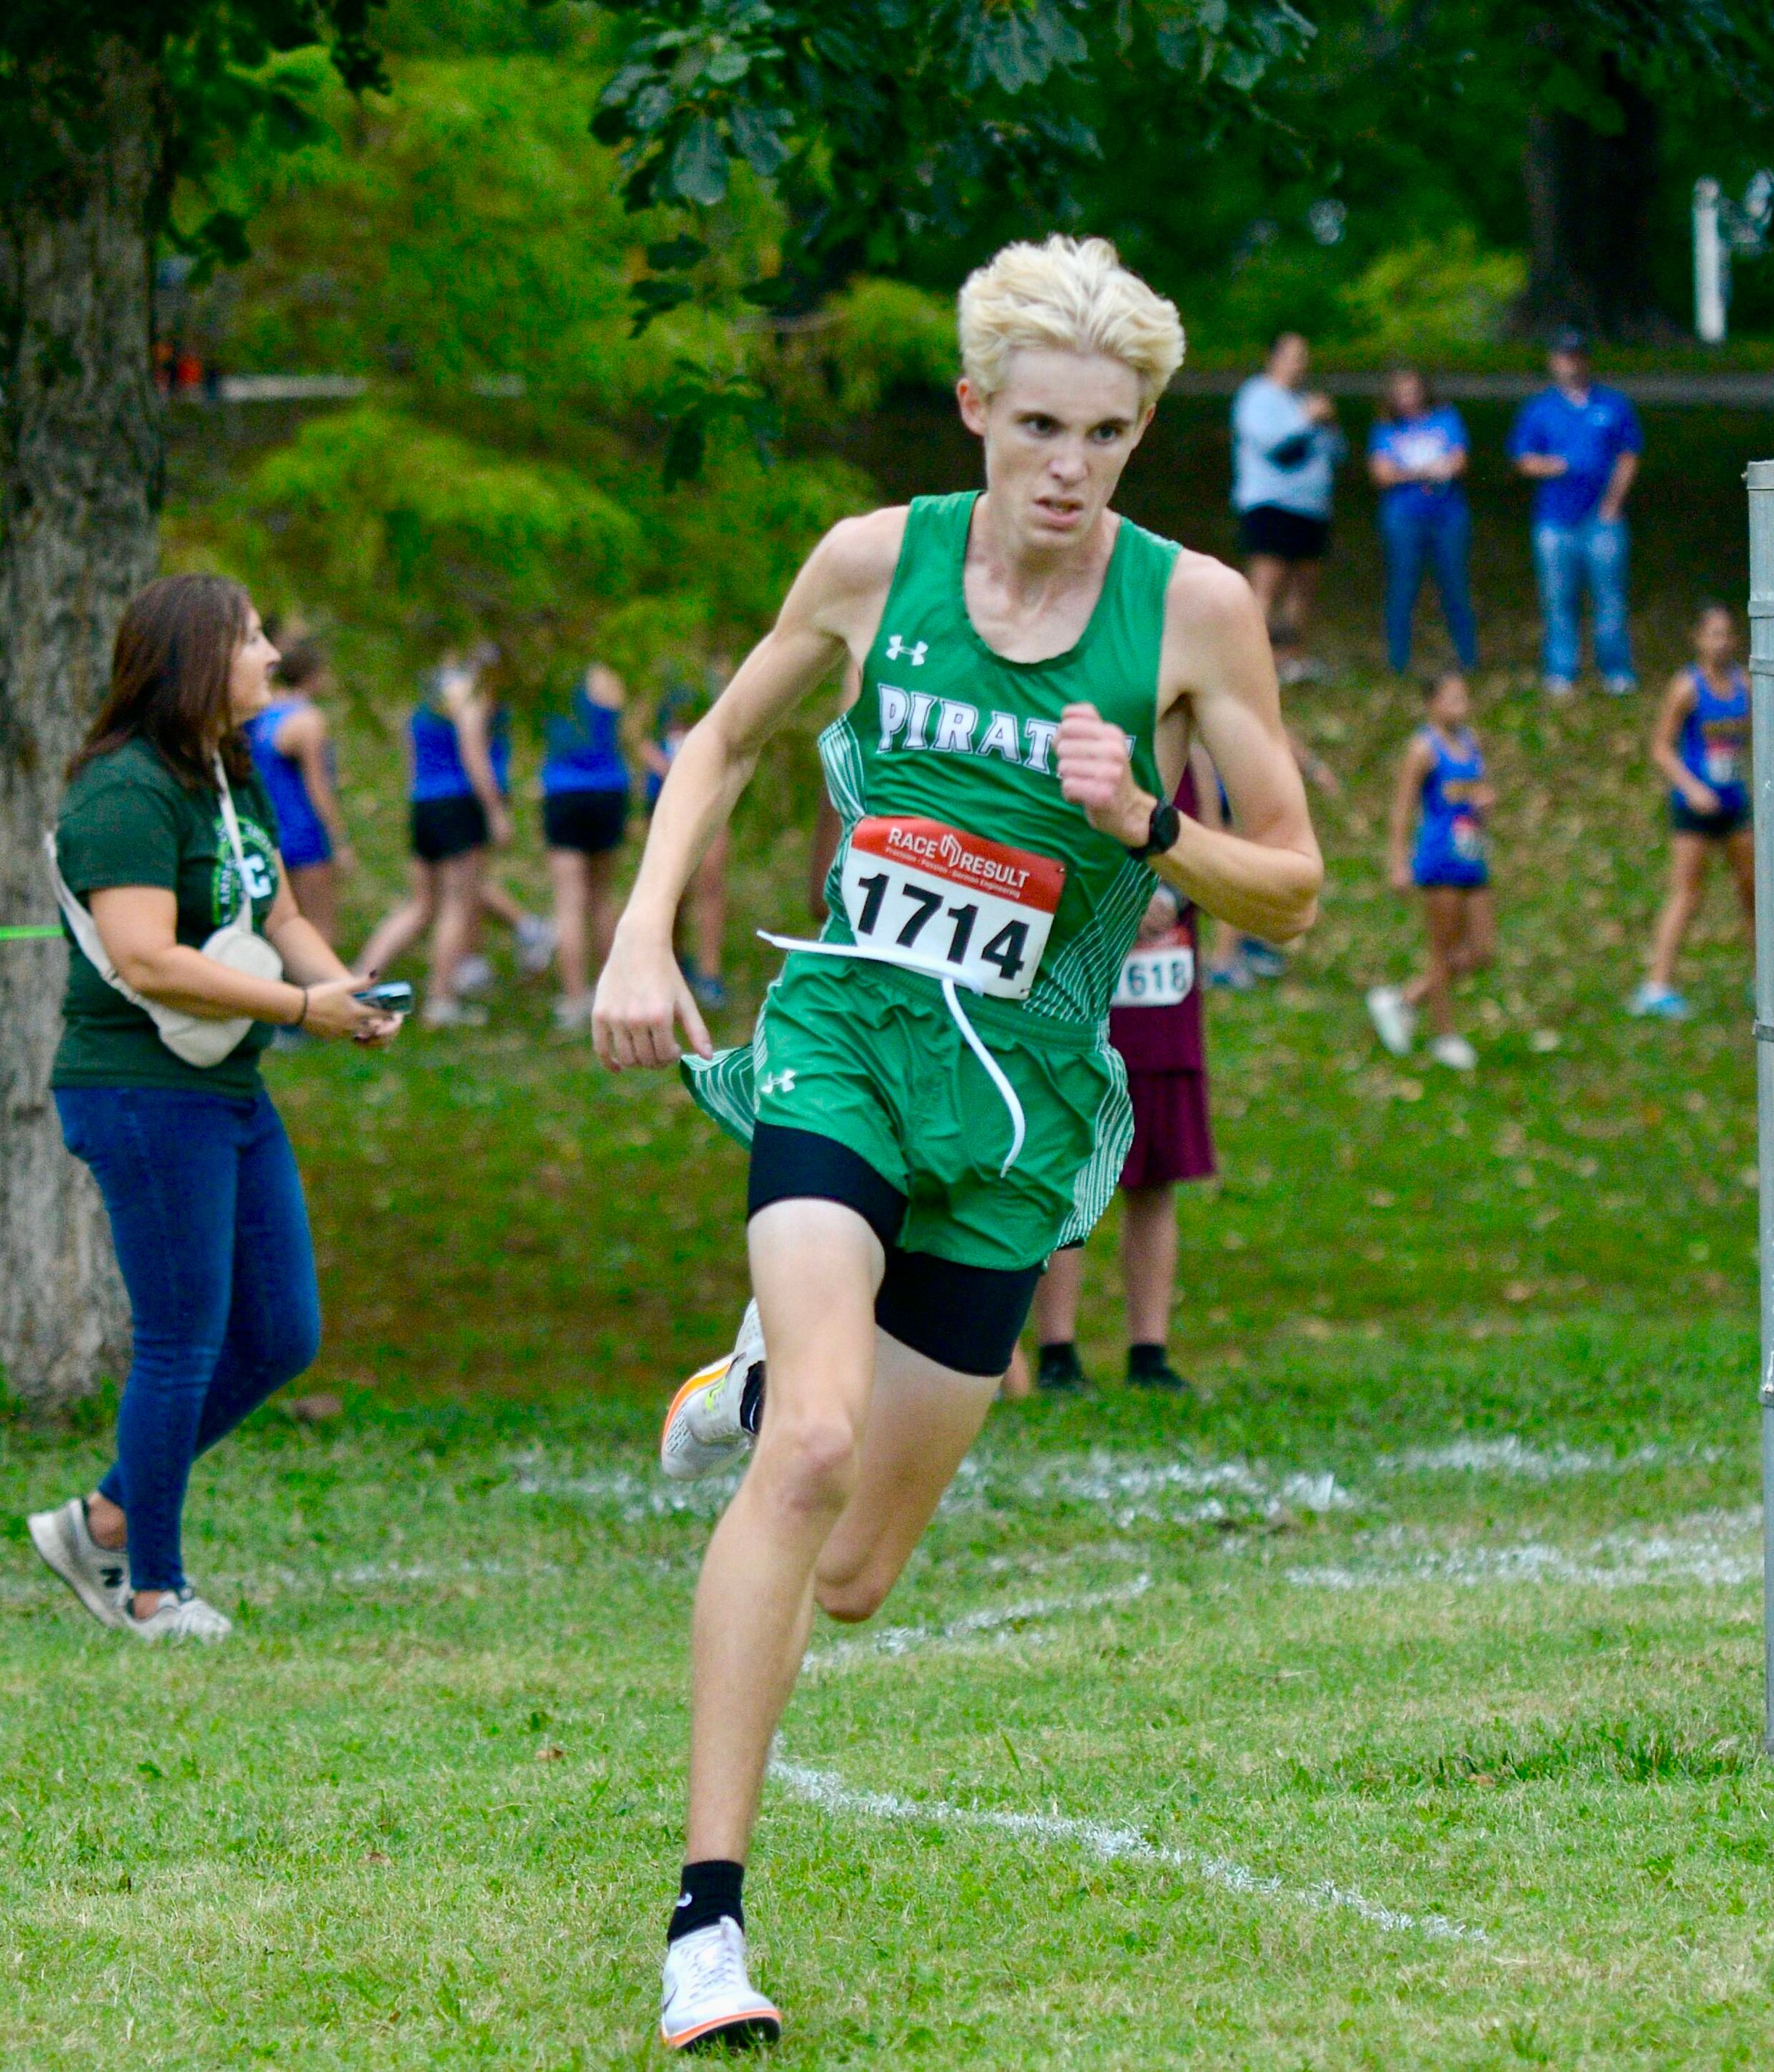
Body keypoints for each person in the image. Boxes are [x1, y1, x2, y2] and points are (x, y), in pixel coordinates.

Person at [594, 234, 1322, 2050]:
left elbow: (1296, 888)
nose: (1068, 467)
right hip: (845, 1035)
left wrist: (1148, 818)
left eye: (1109, 431)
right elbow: (718, 742)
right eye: (1039, 426)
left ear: (1140, 431)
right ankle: (704, 1926)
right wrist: (634, 929)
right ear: (974, 410)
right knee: (821, 1441)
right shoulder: (870, 565)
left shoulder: (1195, 612)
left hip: (1016, 1110)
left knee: (852, 1567)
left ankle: (757, 1382)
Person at [23, 575, 400, 1644]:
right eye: (251, 638)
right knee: (183, 1336)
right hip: (140, 1089)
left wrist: (348, 991)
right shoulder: (124, 791)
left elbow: (275, 905)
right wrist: (300, 1008)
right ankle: (152, 1588)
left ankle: (101, 1516)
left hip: (224, 1081)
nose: (273, 653)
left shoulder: (229, 772)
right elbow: (147, 956)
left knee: (281, 1331)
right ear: (195, 657)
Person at [1029, 769, 1215, 1397]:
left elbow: (1213, 849)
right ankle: (1057, 1350)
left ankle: (1150, 1350)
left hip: (1163, 986)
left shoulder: (1194, 748)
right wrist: (1115, 904)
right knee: (1066, 1161)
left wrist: (1176, 897)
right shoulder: (1077, 736)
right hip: (1080, 986)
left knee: (1157, 1170)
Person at [356, 650, 534, 1026]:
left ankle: (357, 981)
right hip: (459, 802)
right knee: (456, 904)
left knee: (420, 906)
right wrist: (495, 810)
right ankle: (442, 998)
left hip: (425, 801)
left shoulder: (426, 693)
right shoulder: (467, 692)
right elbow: (473, 750)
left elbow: (411, 749)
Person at [1631, 603, 1755, 1019]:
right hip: (1694, 807)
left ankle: (1764, 980)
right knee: (1687, 892)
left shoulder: (1746, 685)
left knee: (1753, 890)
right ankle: (1657, 984)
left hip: (1734, 802)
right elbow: (1661, 746)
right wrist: (1692, 787)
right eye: (1713, 634)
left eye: (1727, 634)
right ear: (1698, 639)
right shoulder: (1687, 687)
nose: (1721, 643)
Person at [1365, 673, 1494, 1072]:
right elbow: (1403, 808)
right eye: (1452, 698)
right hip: (1439, 858)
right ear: (1432, 704)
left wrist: (1485, 802)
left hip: (1472, 854)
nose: (1461, 705)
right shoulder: (1424, 749)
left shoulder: (1472, 743)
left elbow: (1475, 792)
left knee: (1483, 951)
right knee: (1443, 951)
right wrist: (1398, 862)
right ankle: (1445, 1036)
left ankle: (1404, 1001)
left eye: (1464, 697)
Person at [1511, 329, 1644, 697]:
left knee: (1610, 598)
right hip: (1554, 520)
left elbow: (1629, 454)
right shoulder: (1538, 409)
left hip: (1602, 519)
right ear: (1553, 362)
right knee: (1557, 599)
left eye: (1577, 356)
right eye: (1564, 357)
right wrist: (1552, 466)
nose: (1571, 363)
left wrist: (1614, 503)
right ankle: (1561, 669)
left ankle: (1616, 670)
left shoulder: (1613, 404)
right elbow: (1522, 459)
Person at [1230, 330, 1343, 685]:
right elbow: (1269, 442)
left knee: (1303, 585)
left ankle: (1291, 659)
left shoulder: (1306, 400)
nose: (1301, 362)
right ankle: (1251, 666)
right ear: (1274, 357)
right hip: (1271, 502)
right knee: (1268, 583)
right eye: (1294, 354)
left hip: (1311, 507)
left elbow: (1337, 452)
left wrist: (1328, 422)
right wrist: (1308, 418)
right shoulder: (1257, 395)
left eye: (1304, 355)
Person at [1365, 366, 1478, 677]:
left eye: (1413, 391)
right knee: (1403, 587)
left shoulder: (1446, 418)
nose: (1408, 399)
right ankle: (1398, 661)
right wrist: (1424, 471)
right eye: (1401, 393)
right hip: (1403, 518)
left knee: (1455, 585)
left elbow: (1459, 460)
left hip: (1448, 516)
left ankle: (1468, 659)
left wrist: (1410, 472)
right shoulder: (1385, 428)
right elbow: (1380, 473)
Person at [541, 661, 634, 1030]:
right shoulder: (611, 675)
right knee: (602, 897)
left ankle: (575, 997)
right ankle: (611, 990)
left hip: (563, 789)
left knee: (569, 900)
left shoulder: (549, 679)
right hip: (609, 788)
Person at [243, 639, 350, 948]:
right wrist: (338, 839)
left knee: (278, 929)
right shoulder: (308, 720)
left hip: (268, 831)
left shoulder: (261, 714)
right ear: (313, 675)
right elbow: (318, 788)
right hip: (305, 834)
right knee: (319, 929)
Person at [639, 663, 729, 1010]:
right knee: (669, 887)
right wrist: (668, 769)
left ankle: (710, 973)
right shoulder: (657, 673)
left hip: (708, 795)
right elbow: (639, 735)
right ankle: (671, 962)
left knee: (711, 881)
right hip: (663, 796)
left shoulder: (717, 673)